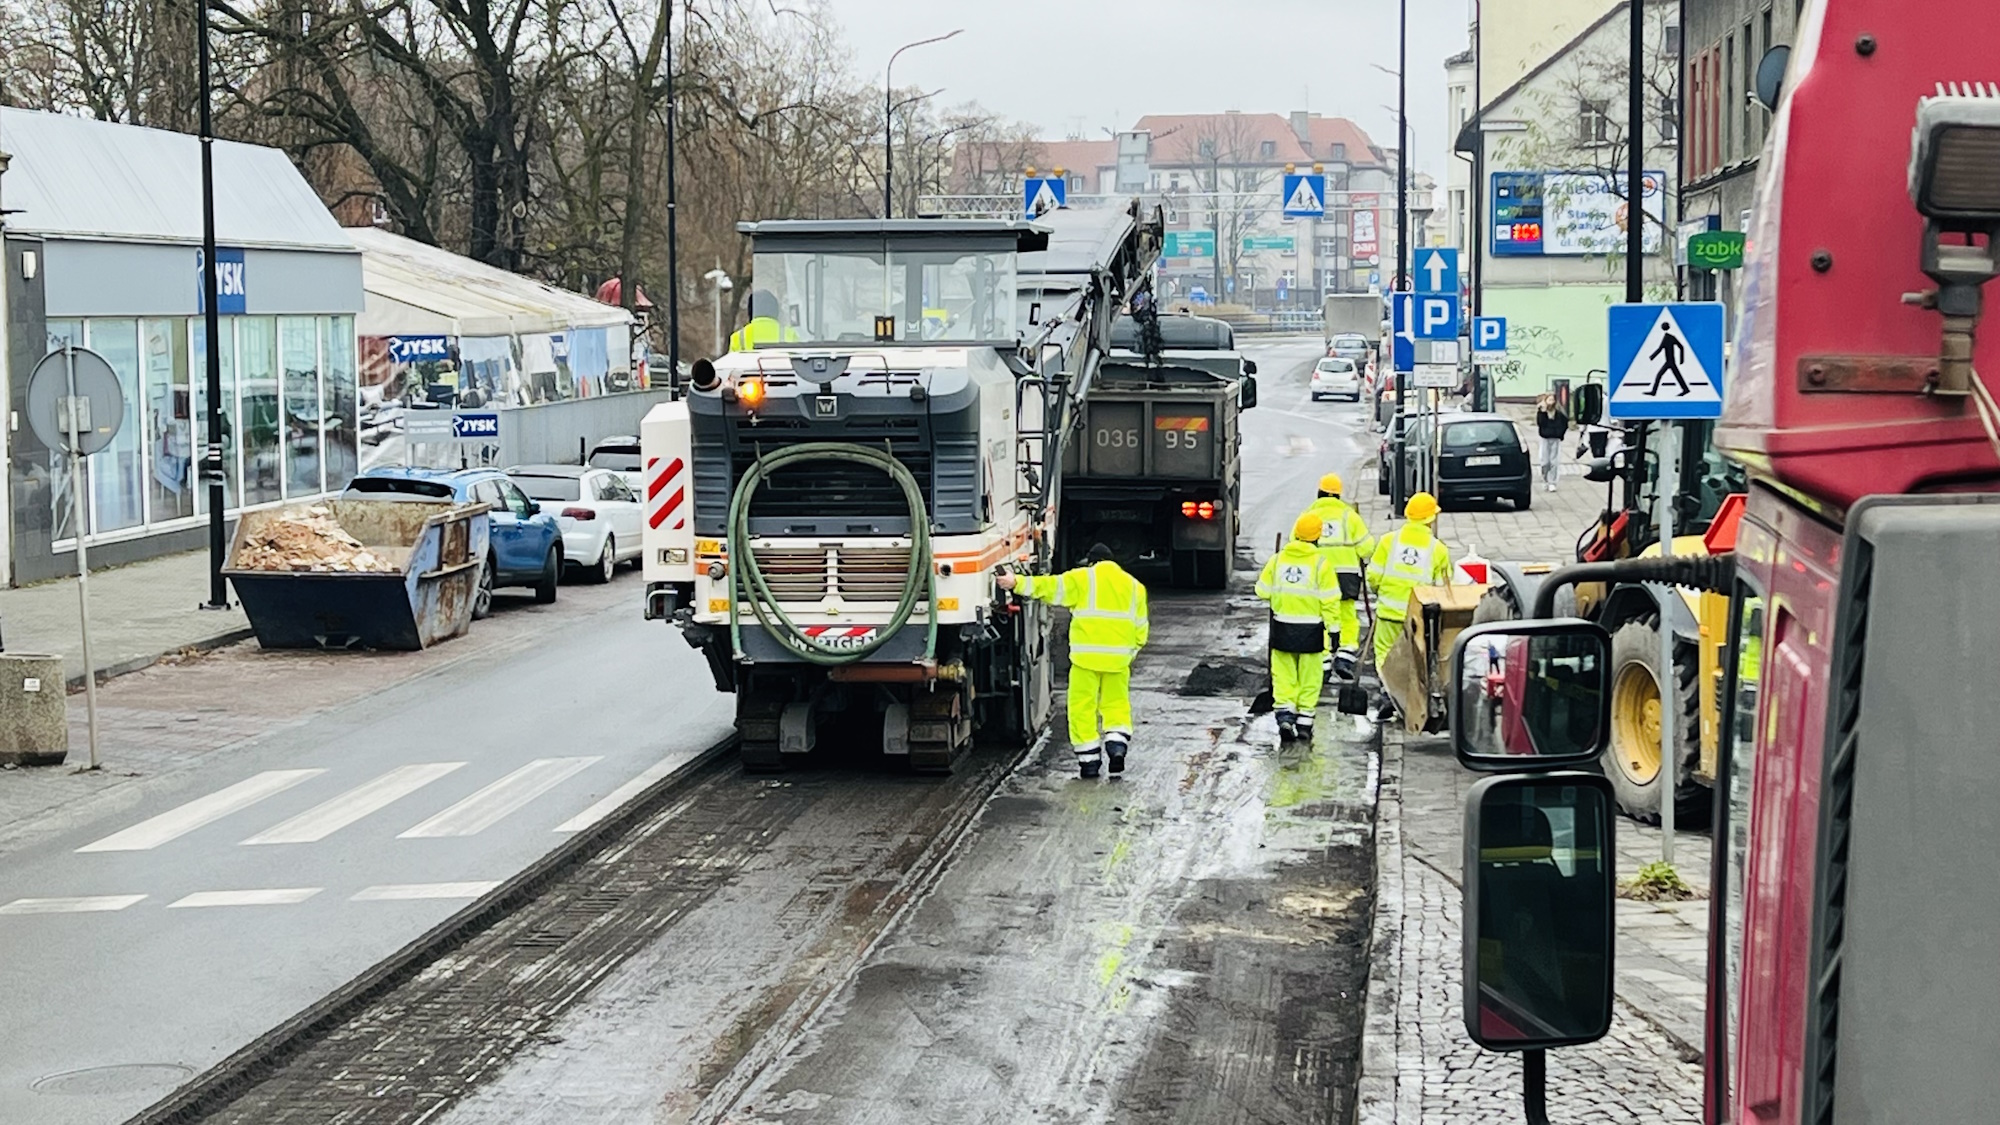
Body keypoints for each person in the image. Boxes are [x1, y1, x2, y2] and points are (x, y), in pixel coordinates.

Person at [997, 544, 1149, 778]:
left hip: (1085, 660)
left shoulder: (1083, 578)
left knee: (1082, 708)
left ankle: (1089, 762)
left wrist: (1015, 582)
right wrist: (1128, 654)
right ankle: (1117, 746)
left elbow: (1048, 587)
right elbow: (1141, 631)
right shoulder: (1134, 587)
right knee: (1116, 706)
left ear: (1091, 562)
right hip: (1118, 661)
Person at [1256, 513, 1344, 742]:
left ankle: (1285, 716)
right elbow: (1331, 601)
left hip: (1282, 628)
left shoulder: (1278, 560)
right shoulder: (1321, 564)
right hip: (1312, 632)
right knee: (1310, 677)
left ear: (1295, 533)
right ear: (1317, 538)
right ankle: (1305, 723)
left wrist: (1280, 596)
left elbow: (1262, 591)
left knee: (1283, 676)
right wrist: (1334, 631)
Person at [1368, 490, 1453, 673]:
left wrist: (1381, 594)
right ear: (1431, 519)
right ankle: (1408, 695)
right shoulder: (1438, 549)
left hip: (1388, 613)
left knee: (1384, 653)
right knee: (1414, 659)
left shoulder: (1388, 541)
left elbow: (1373, 577)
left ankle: (1387, 690)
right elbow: (1441, 591)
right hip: (1417, 617)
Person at [1301, 473, 1376, 676]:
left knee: (1321, 614)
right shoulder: (1349, 516)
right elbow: (1367, 547)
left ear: (1319, 492)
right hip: (1346, 575)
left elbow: (1296, 539)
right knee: (1347, 614)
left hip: (1317, 574)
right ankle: (1345, 654)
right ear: (1338, 495)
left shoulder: (1310, 514)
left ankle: (1323, 659)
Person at [729, 289, 798, 352]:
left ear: (750, 311)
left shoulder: (737, 338)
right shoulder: (790, 334)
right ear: (776, 311)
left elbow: (731, 364)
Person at [1535, 393, 1568, 493]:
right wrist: (1542, 412)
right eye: (1548, 400)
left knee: (1554, 462)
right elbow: (1540, 423)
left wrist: (1560, 434)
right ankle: (1545, 480)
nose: (1550, 402)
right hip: (1545, 439)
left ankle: (1552, 482)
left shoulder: (1559, 414)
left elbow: (1564, 424)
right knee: (1545, 462)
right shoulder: (1542, 413)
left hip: (1555, 439)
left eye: (1552, 400)